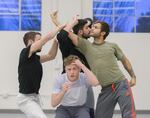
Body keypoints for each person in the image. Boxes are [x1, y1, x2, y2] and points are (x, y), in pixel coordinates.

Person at [65, 17, 137, 118]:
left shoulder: (112, 46)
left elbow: (125, 61)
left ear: (103, 33)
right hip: (106, 89)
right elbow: (67, 33)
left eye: (95, 27)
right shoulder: (86, 46)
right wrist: (58, 23)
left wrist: (133, 76)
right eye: (92, 27)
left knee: (129, 115)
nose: (92, 29)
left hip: (121, 85)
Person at [50, 11, 95, 118]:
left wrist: (56, 22)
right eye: (87, 27)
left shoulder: (86, 45)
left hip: (85, 82)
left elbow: (68, 33)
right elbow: (63, 35)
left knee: (90, 111)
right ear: (80, 31)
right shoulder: (68, 45)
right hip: (70, 84)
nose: (90, 29)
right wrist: (58, 22)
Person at [17, 25, 64, 118]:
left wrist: (56, 41)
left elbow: (51, 56)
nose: (42, 43)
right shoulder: (25, 54)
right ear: (30, 42)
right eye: (39, 40)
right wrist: (59, 27)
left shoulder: (35, 58)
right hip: (26, 99)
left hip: (35, 97)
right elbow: (47, 38)